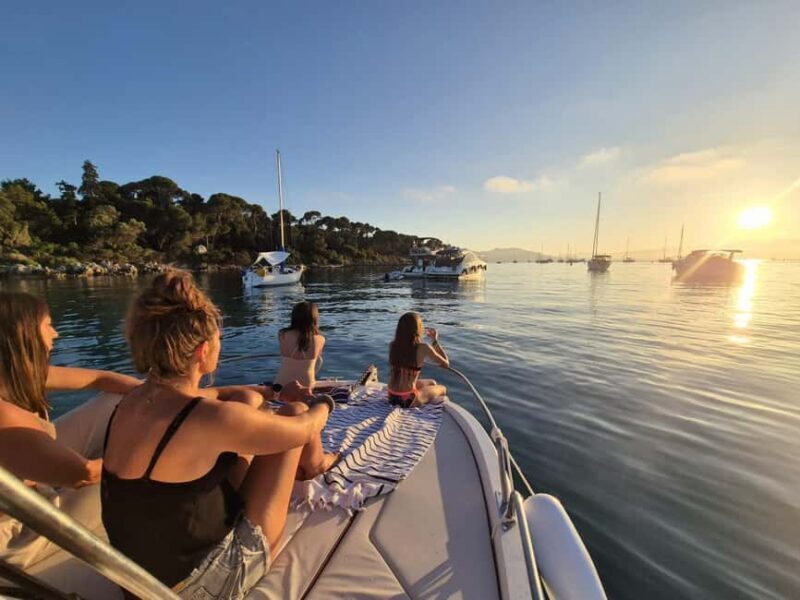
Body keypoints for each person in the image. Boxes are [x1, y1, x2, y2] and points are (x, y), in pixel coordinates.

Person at [101, 271, 337, 598]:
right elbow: (305, 428)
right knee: (295, 414)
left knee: (246, 401)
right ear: (202, 351)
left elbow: (212, 399)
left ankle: (299, 446)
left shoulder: (132, 401)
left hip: (138, 580)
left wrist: (258, 393)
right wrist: (321, 402)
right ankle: (315, 464)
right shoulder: (208, 419)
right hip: (198, 587)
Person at [0, 291, 143, 569]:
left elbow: (102, 379)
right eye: (48, 324)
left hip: (33, 487)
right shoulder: (4, 414)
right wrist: (157, 451)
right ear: (23, 333)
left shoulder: (14, 373)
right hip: (18, 532)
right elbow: (84, 475)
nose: (55, 334)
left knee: (115, 402)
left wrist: (179, 401)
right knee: (134, 483)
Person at [387, 312, 449, 408]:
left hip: (391, 396)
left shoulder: (393, 345)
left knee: (432, 383)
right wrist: (435, 341)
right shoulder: (423, 348)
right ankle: (433, 409)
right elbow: (446, 364)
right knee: (443, 389)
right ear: (418, 329)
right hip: (408, 399)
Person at [275, 301, 325, 389]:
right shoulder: (320, 339)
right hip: (306, 386)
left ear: (294, 317)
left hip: (281, 385)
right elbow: (319, 360)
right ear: (314, 318)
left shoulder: (282, 334)